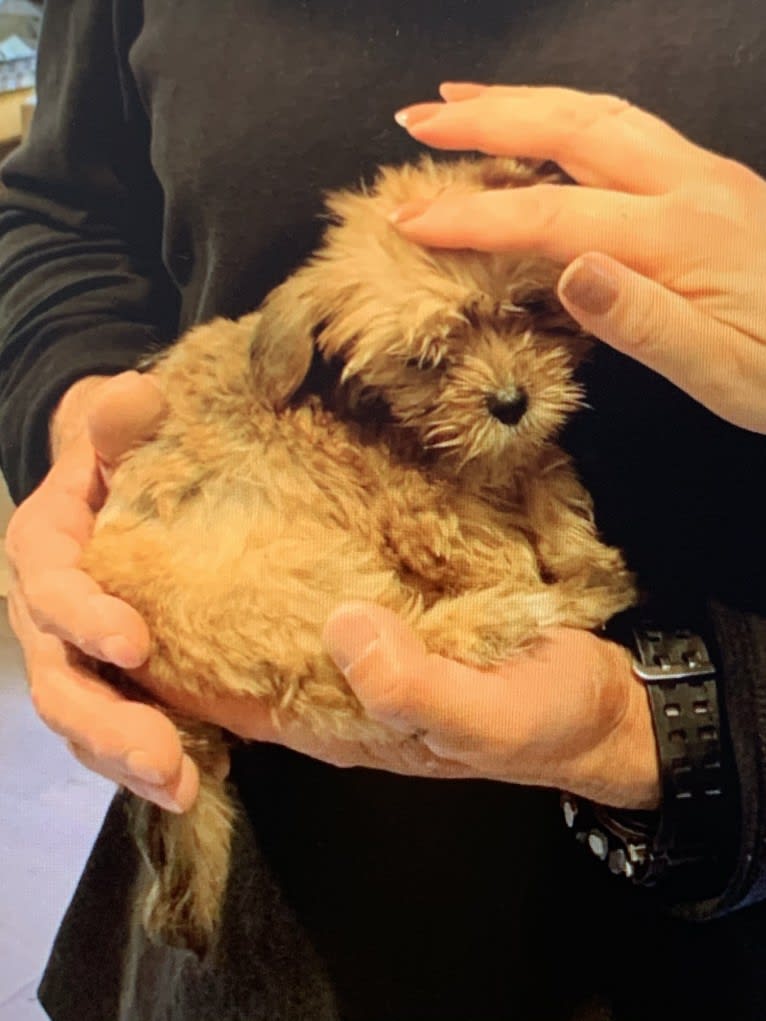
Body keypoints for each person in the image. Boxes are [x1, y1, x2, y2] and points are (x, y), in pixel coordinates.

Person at [1, 3, 766, 1019]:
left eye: (532, 311)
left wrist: (691, 723)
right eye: (425, 356)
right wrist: (83, 421)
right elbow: (62, 217)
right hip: (302, 880)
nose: (502, 383)